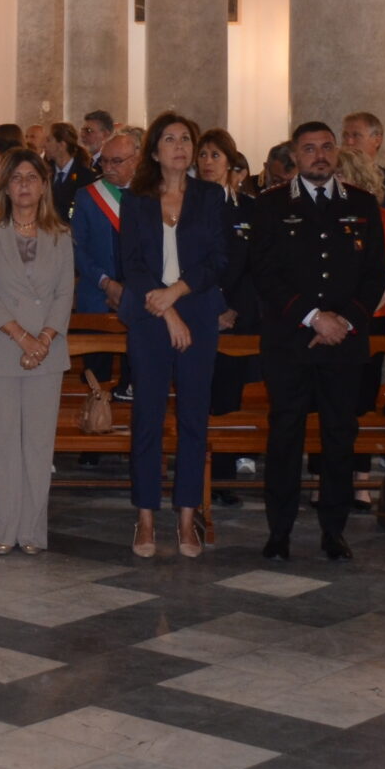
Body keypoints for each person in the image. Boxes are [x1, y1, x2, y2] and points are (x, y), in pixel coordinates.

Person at [249, 121, 385, 563]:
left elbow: (374, 274)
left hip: (343, 345)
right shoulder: (270, 205)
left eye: (326, 147)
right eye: (309, 149)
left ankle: (334, 529)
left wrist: (343, 322)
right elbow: (265, 274)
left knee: (339, 437)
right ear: (295, 156)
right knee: (286, 435)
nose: (320, 156)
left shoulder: (363, 205)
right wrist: (313, 318)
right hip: (290, 343)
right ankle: (280, 530)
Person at [119, 113, 230, 560]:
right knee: (147, 418)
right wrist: (166, 312)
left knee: (193, 418)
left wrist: (178, 295)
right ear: (154, 150)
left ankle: (187, 516)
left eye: (187, 138)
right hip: (149, 318)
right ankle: (145, 517)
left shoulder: (210, 196)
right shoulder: (136, 199)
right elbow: (132, 264)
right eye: (170, 139)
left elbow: (218, 260)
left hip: (198, 314)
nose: (181, 146)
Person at [0, 148, 73, 557]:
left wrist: (44, 338)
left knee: (37, 446)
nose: (25, 185)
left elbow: (65, 292)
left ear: (43, 185)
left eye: (32, 177)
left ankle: (32, 531)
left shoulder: (61, 234)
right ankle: (2, 528)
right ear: (6, 186)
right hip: (2, 348)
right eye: (17, 178)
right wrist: (22, 338)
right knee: (2, 443)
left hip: (47, 353)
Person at [200, 129, 257, 507]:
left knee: (230, 396)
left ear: (231, 163)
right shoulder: (186, 207)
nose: (206, 161)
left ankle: (224, 475)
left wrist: (233, 307)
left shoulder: (249, 209)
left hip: (239, 316)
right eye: (201, 155)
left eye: (215, 155)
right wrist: (213, 304)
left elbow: (254, 265)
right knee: (202, 395)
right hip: (200, 311)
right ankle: (201, 473)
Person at [73, 126, 138, 318]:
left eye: (116, 162)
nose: (108, 168)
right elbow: (78, 248)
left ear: (135, 161)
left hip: (141, 298)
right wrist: (106, 283)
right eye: (104, 161)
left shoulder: (150, 196)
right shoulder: (87, 196)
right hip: (96, 296)